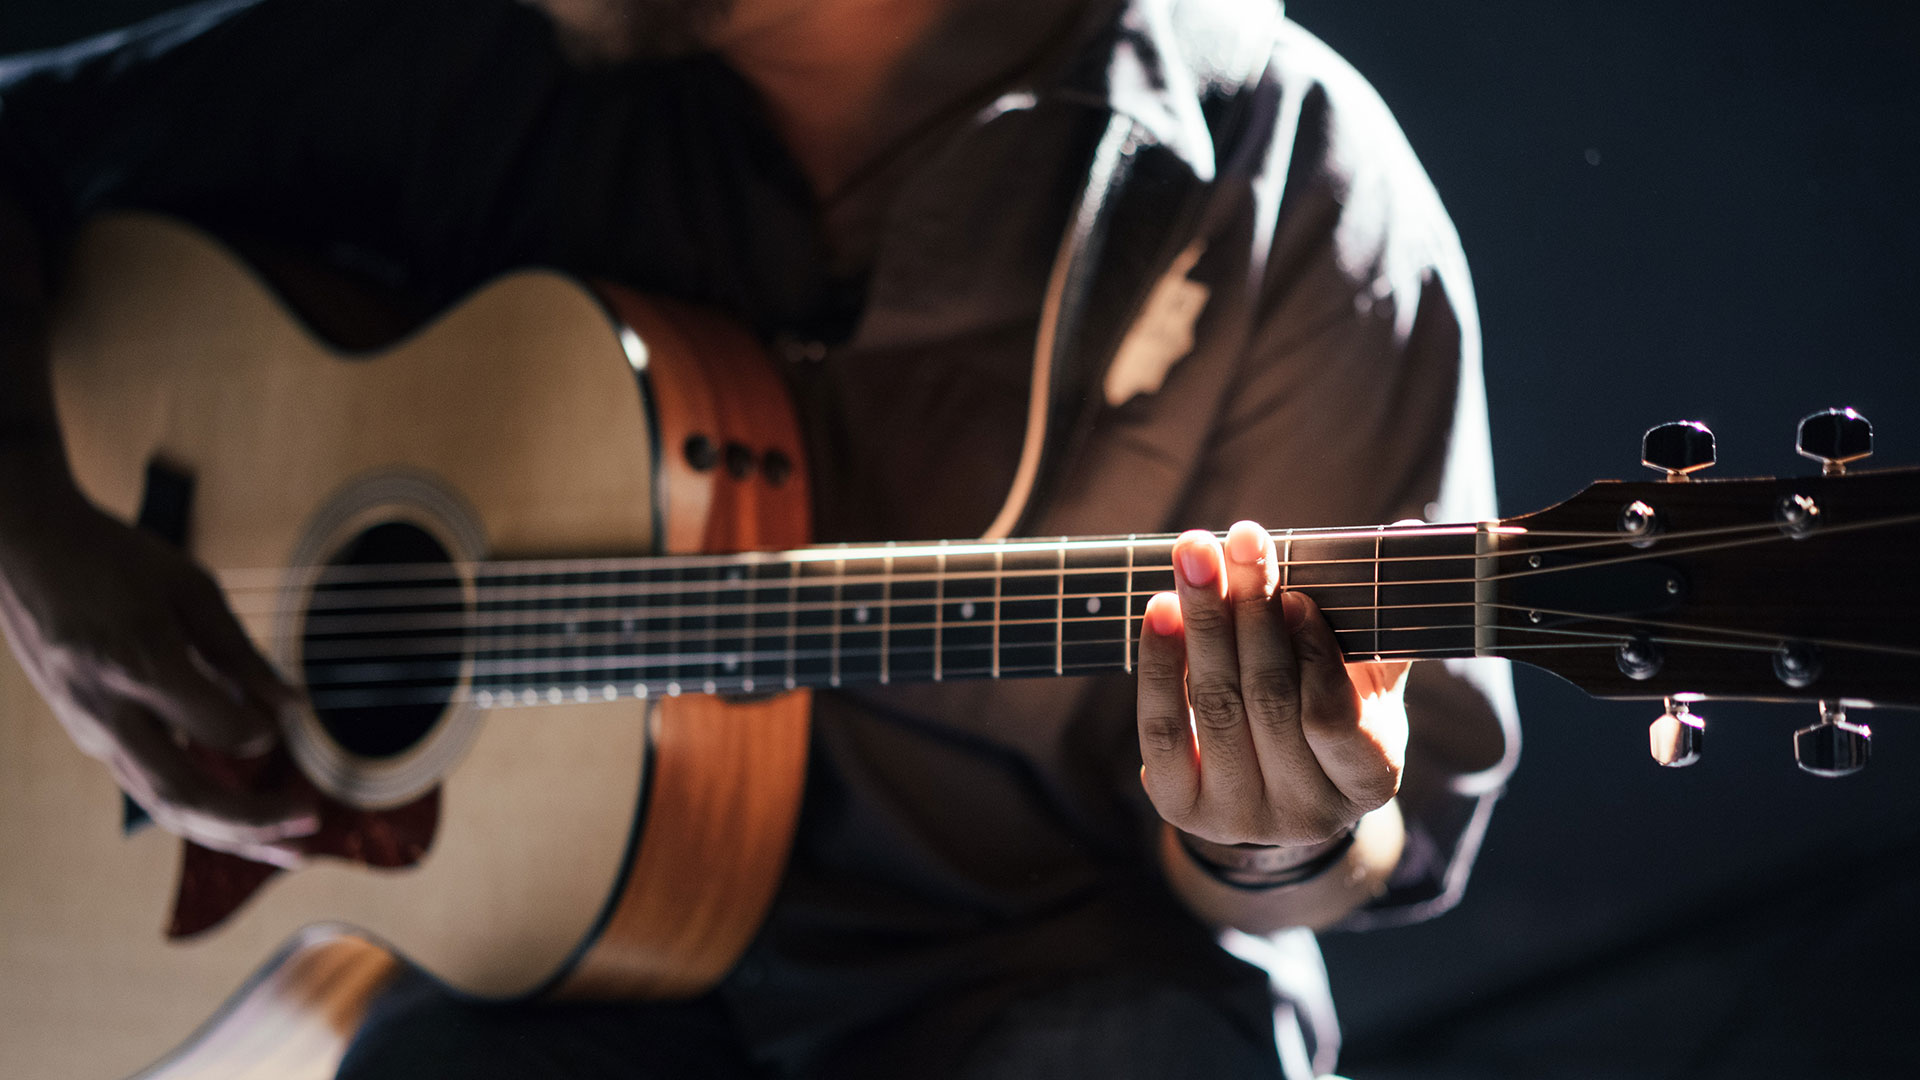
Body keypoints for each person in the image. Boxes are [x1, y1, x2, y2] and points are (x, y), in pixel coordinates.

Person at [0, 0, 1518, 1076]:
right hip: (549, 987)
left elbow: (1363, 844)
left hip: (1053, 969)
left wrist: (1272, 823)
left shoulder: (1285, 173)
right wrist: (35, 526)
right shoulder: (488, 51)